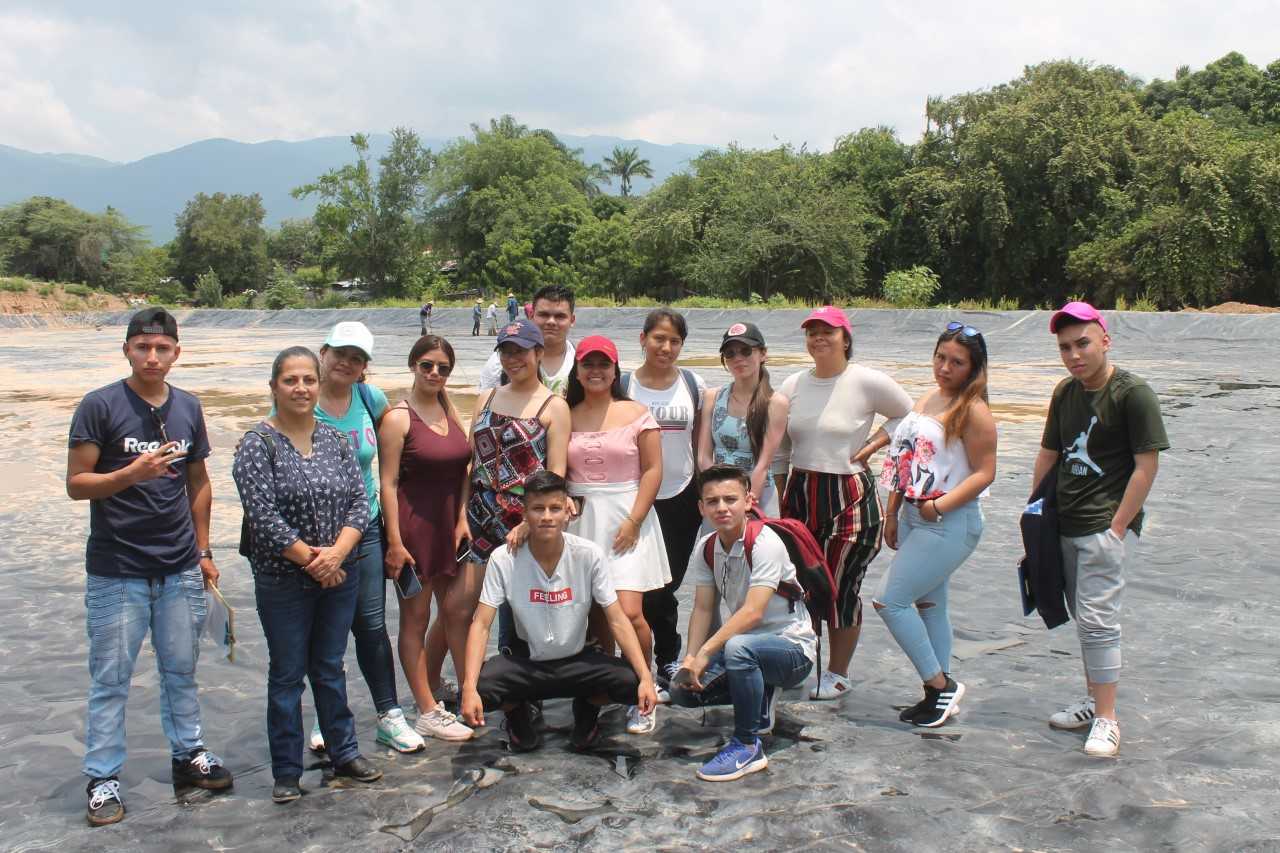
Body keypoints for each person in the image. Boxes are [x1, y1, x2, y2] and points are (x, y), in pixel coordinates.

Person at [67, 307, 233, 826]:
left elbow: (199, 481)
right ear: (127, 350)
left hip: (180, 567)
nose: (153, 357)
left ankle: (189, 756)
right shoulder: (100, 405)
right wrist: (130, 474)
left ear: (177, 352)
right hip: (117, 570)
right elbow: (77, 483)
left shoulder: (188, 407)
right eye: (143, 347)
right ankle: (103, 779)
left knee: (181, 671)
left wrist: (203, 550)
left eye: (163, 348)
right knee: (112, 678)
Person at [233, 346, 382, 805]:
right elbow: (263, 515)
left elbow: (361, 500)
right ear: (273, 386)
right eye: (291, 380)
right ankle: (285, 770)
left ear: (319, 386)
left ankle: (345, 752)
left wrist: (337, 555)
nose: (301, 388)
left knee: (330, 668)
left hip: (342, 573)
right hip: (284, 580)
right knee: (287, 675)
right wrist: (313, 561)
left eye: (308, 380)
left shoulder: (336, 440)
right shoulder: (256, 444)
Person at [1031, 302, 1168, 757]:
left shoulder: (1133, 393)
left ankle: (1108, 719)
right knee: (1083, 620)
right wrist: (1035, 517)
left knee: (1098, 622)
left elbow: (1146, 467)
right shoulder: (1066, 393)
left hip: (1100, 527)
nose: (1074, 354)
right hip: (1063, 523)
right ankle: (1094, 701)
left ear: (1105, 340)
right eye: (1065, 347)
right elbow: (1049, 454)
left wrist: (1118, 526)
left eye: (1083, 343)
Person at [460, 472, 659, 752]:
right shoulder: (503, 558)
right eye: (538, 509)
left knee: (630, 682)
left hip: (578, 660)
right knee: (481, 687)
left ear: (568, 511)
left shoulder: (589, 554)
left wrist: (647, 677)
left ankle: (586, 713)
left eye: (555, 508)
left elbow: (616, 617)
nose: (547, 517)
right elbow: (481, 624)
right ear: (525, 513)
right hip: (528, 664)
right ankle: (517, 715)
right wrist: (469, 687)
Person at [778, 305, 913, 700]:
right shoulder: (794, 384)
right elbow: (783, 446)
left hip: (848, 495)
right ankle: (804, 661)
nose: (819, 338)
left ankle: (838, 672)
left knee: (839, 583)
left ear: (845, 338)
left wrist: (874, 444)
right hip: (801, 493)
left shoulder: (866, 381)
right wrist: (782, 491)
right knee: (802, 583)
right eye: (812, 332)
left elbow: (911, 415)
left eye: (828, 332)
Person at [307, 322, 424, 755]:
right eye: (340, 353)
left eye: (357, 358)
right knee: (328, 628)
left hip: (368, 527)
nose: (346, 363)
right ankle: (326, 713)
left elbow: (395, 455)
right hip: (317, 537)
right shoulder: (302, 399)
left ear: (364, 367)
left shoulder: (369, 399)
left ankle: (389, 715)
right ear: (323, 351)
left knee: (372, 626)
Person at [875, 322, 997, 727]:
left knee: (889, 601)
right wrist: (892, 512)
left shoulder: (974, 411)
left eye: (957, 362)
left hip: (948, 522)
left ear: (973, 368)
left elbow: (985, 473)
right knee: (930, 604)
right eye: (941, 357)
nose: (945, 367)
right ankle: (936, 694)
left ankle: (940, 684)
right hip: (912, 513)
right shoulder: (930, 396)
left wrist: (940, 505)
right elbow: (905, 457)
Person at [668, 465, 817, 782]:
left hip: (791, 650)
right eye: (712, 501)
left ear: (748, 500)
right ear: (701, 507)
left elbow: (753, 612)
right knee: (681, 691)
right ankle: (759, 690)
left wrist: (706, 653)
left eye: (730, 499)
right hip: (747, 648)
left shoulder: (765, 543)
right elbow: (703, 608)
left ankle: (748, 745)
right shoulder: (707, 546)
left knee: (738, 648)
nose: (721, 508)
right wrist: (691, 659)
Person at [562, 335, 670, 734]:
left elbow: (653, 469)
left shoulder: (637, 412)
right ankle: (607, 685)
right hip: (581, 518)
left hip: (627, 516)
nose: (595, 371)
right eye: (587, 364)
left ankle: (646, 686)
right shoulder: (565, 414)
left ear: (614, 370)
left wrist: (635, 520)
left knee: (628, 611)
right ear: (577, 370)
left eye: (602, 364)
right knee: (595, 614)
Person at [378, 335, 475, 742]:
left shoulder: (449, 410)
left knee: (456, 612)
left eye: (443, 368)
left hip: (451, 529)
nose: (435, 373)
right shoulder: (399, 418)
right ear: (412, 365)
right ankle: (427, 709)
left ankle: (461, 689)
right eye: (427, 365)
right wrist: (396, 542)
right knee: (415, 620)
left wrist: (463, 517)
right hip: (414, 531)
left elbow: (463, 472)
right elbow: (387, 482)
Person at [621, 309, 706, 698]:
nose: (666, 347)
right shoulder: (625, 386)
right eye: (658, 338)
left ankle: (666, 658)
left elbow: (700, 444)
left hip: (680, 498)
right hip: (633, 499)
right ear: (642, 339)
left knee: (665, 585)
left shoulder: (693, 384)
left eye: (674, 341)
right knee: (635, 585)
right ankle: (635, 661)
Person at [696, 321, 790, 518]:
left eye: (746, 351)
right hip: (719, 497)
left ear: (762, 354)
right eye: (730, 354)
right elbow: (704, 457)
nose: (738, 358)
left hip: (757, 497)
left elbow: (763, 464)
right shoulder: (713, 397)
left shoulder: (775, 403)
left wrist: (746, 506)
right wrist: (719, 497)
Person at [480, 284, 578, 395]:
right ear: (531, 316)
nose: (551, 321)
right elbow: (486, 405)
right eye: (544, 315)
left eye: (560, 316)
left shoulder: (581, 363)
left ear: (572, 320)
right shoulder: (500, 363)